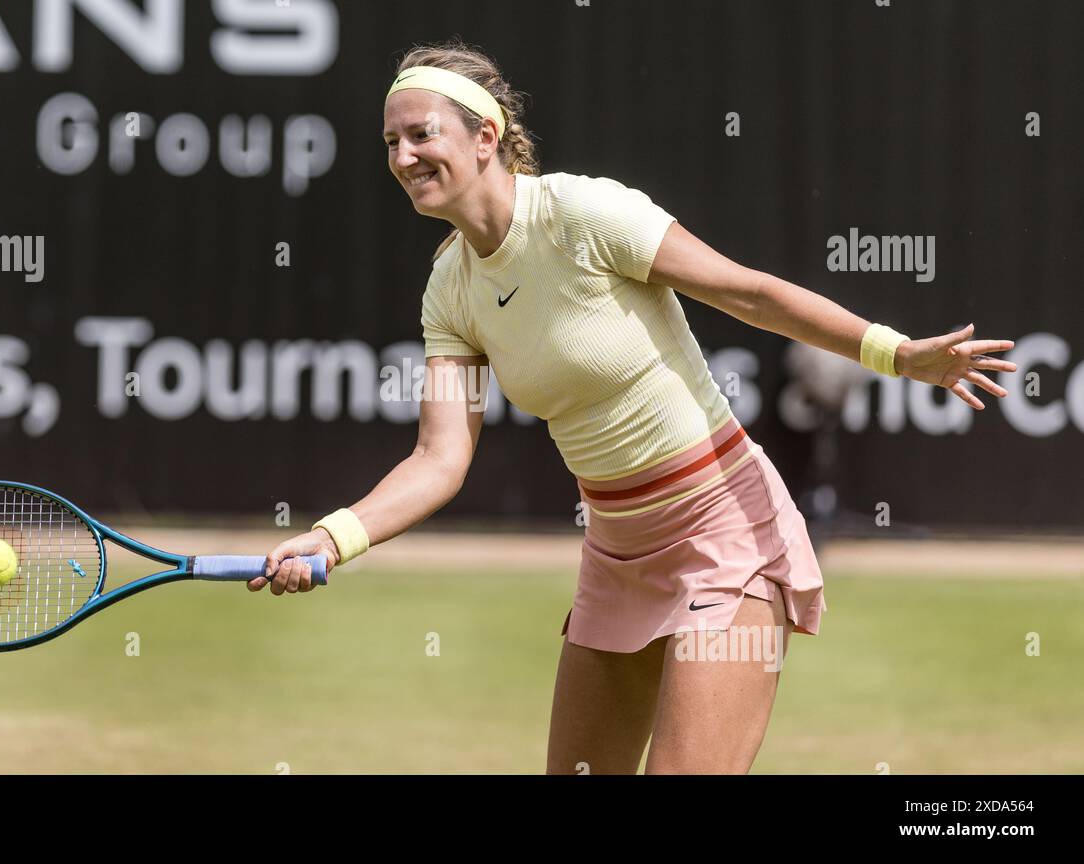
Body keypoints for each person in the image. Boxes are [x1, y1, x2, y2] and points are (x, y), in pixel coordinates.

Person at [251, 40, 1018, 774]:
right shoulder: (450, 289)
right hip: (616, 555)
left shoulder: (584, 214)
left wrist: (895, 352)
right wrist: (330, 537)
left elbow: (747, 292)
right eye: (391, 142)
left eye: (421, 134)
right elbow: (439, 458)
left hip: (726, 535)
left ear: (486, 136)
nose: (404, 157)